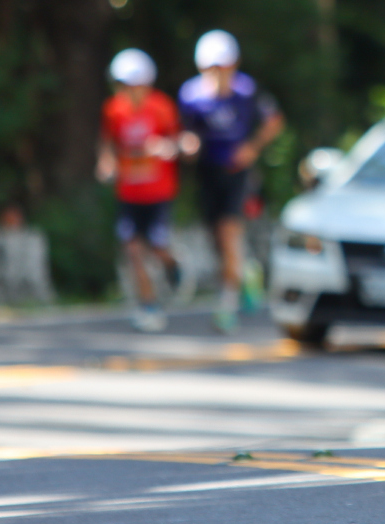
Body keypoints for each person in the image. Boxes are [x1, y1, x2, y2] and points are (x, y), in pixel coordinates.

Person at [178, 30, 285, 333]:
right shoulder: (191, 96)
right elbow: (189, 132)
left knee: (228, 233)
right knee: (217, 240)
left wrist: (251, 148)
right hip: (207, 173)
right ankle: (246, 272)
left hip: (235, 173)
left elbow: (274, 120)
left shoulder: (247, 92)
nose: (219, 74)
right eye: (212, 67)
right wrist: (189, 146)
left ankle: (226, 303)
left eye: (224, 67)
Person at [97, 48, 183, 333]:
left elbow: (176, 141)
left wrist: (165, 148)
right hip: (129, 193)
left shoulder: (162, 107)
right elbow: (108, 144)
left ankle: (172, 265)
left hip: (158, 192)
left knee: (156, 245)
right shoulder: (113, 109)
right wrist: (107, 164)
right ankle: (149, 305)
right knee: (133, 249)